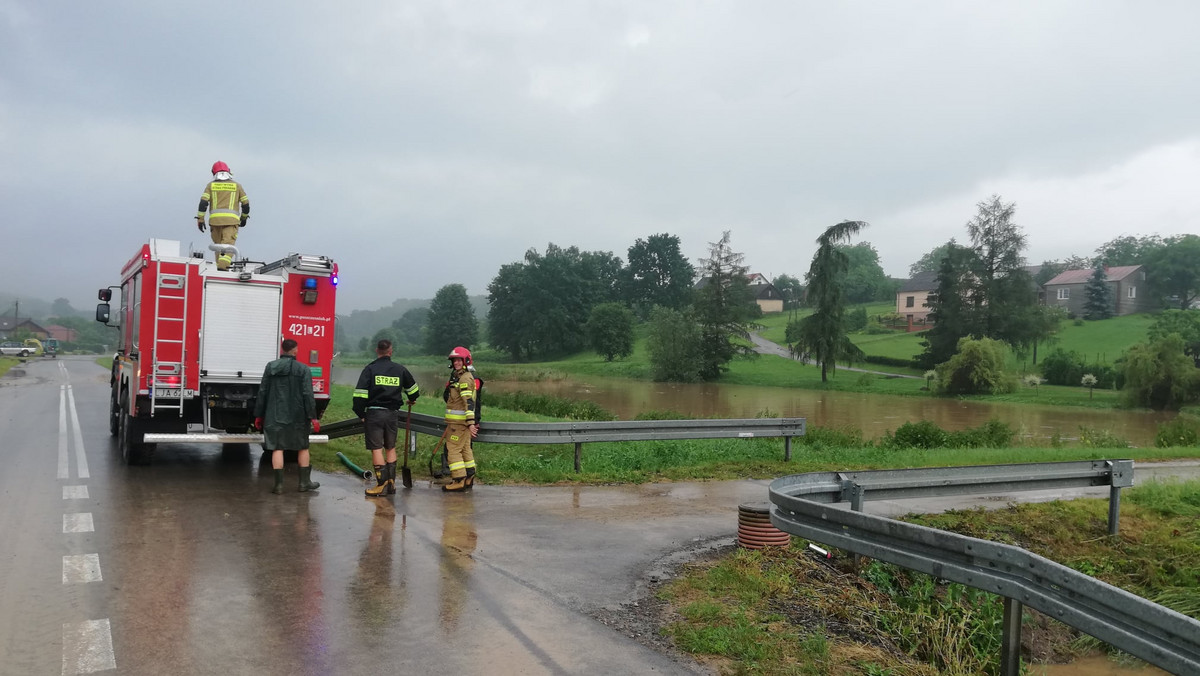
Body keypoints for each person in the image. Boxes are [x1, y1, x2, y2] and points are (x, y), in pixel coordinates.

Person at [353, 339, 420, 497]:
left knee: (377, 448)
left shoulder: (370, 369)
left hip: (374, 414)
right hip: (392, 414)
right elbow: (414, 390)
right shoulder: (399, 369)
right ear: (391, 351)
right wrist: (411, 399)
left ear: (377, 351)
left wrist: (361, 414)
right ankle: (391, 483)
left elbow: (359, 396)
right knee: (390, 447)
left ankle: (381, 485)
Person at [254, 339, 321, 494]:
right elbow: (307, 395)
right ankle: (304, 483)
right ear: (296, 350)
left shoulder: (271, 367)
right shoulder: (303, 369)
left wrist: (259, 415)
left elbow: (263, 392)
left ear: (282, 350)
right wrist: (313, 417)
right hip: (298, 415)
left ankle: (278, 485)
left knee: (278, 447)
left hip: (274, 414)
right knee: (302, 446)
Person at [196, 161, 250, 271]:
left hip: (215, 222)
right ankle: (222, 268)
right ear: (228, 171)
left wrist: (200, 219)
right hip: (231, 222)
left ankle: (220, 269)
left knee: (219, 247)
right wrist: (243, 218)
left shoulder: (210, 186)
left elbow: (203, 203)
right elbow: (246, 204)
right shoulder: (237, 186)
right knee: (228, 247)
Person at [441, 346, 478, 492]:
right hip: (458, 424)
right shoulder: (459, 376)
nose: (456, 362)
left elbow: (468, 402)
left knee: (453, 450)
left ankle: (459, 480)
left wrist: (470, 423)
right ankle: (469, 477)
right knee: (465, 449)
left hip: (459, 424)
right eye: (454, 360)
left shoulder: (464, 379)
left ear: (465, 361)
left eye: (458, 360)